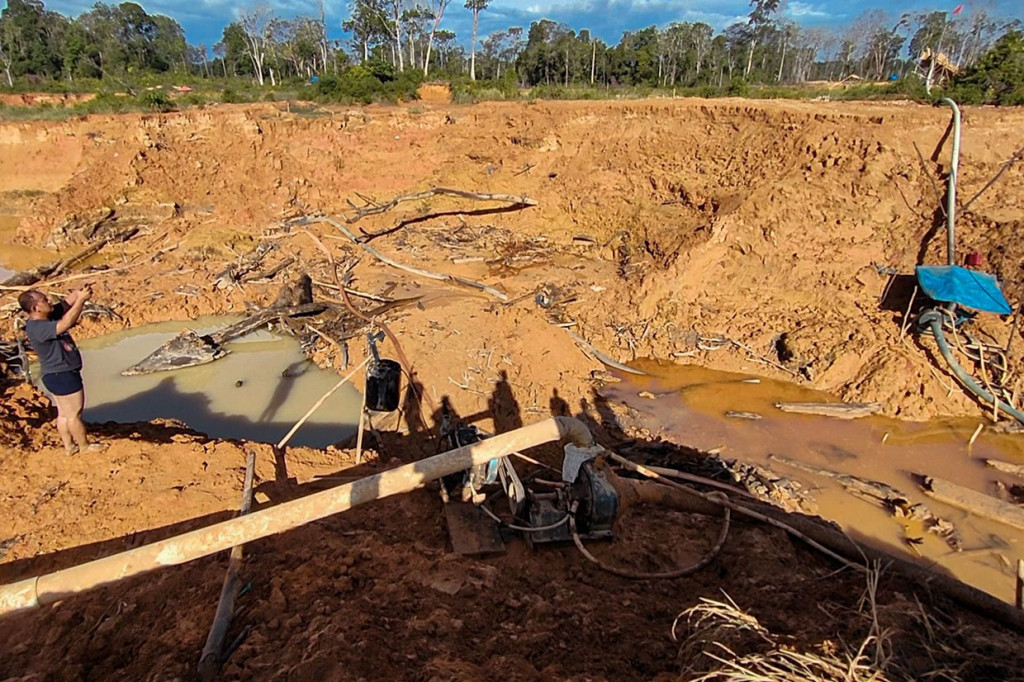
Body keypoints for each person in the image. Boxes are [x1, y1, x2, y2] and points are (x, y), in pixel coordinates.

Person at [19, 285, 105, 455]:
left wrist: (79, 292)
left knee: (64, 414)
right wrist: (81, 301)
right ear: (35, 308)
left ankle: (69, 447)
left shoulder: (45, 317)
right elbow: (66, 322)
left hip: (55, 375)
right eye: (44, 300)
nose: (49, 301)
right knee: (74, 414)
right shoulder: (39, 328)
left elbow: (66, 304)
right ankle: (84, 446)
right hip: (63, 375)